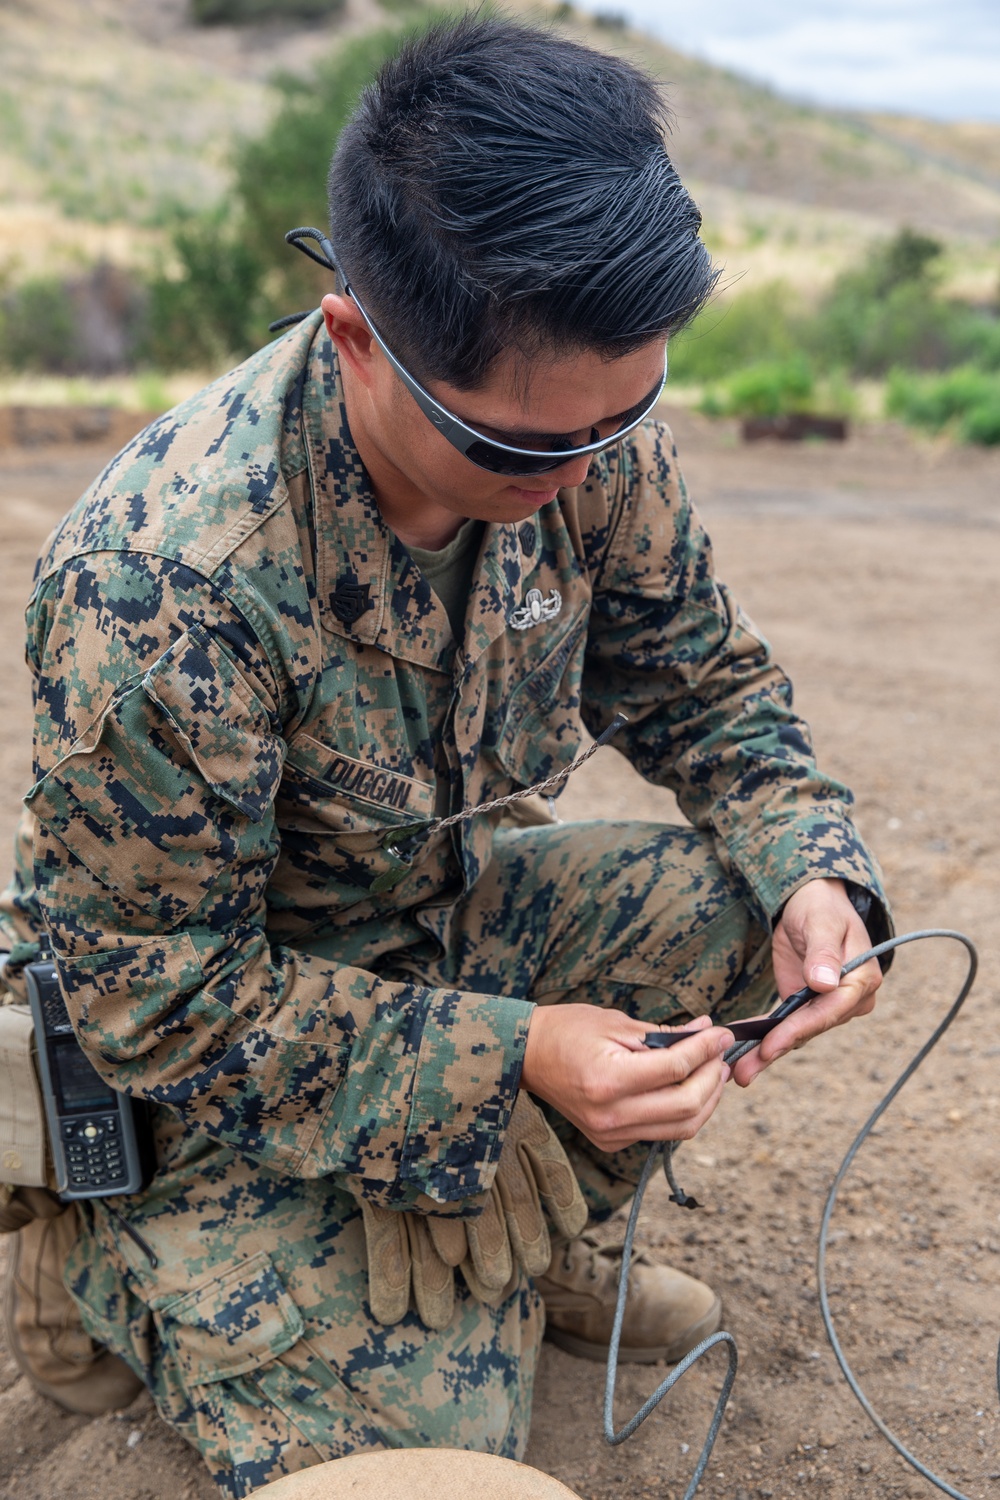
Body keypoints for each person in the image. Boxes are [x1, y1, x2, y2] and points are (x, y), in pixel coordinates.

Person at [0, 15, 889, 1498]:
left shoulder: (577, 425)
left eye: (631, 415)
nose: (590, 474)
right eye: (533, 449)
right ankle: (95, 1259)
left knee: (743, 912)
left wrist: (813, 868)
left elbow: (699, 679)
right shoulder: (167, 582)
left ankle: (512, 1238)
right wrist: (513, 1057)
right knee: (442, 1474)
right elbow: (159, 1001)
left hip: (431, 932)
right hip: (207, 1065)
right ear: (359, 335)